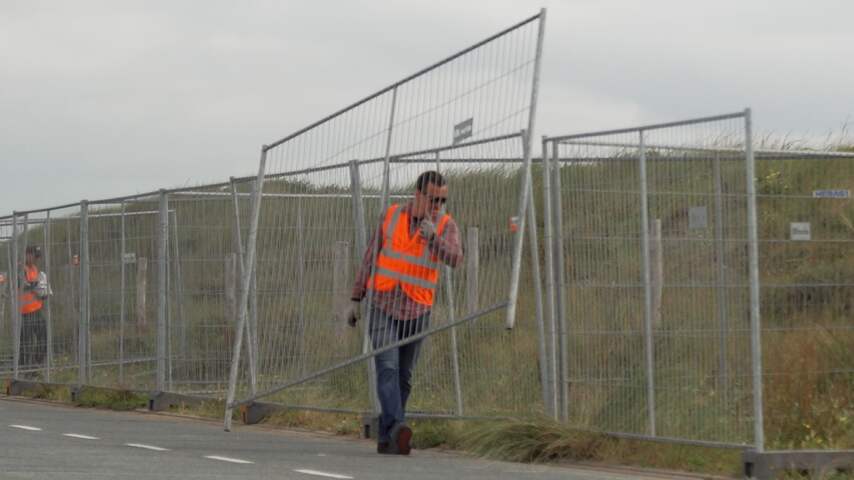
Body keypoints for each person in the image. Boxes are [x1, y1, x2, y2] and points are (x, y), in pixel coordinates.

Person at [346, 170, 463, 455]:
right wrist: (356, 298)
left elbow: (456, 259)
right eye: (434, 200)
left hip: (417, 310)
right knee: (387, 367)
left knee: (404, 376)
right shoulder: (391, 216)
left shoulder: (446, 225)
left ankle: (388, 437)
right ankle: (399, 425)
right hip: (382, 304)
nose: (438, 206)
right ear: (418, 195)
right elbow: (370, 256)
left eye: (443, 201)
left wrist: (434, 238)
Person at [19, 245, 49, 369]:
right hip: (26, 312)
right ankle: (24, 368)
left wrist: (43, 292)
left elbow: (34, 285)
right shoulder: (20, 268)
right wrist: (36, 286)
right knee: (26, 343)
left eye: (37, 257)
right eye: (34, 256)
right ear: (27, 254)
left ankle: (36, 365)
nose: (36, 259)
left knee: (43, 338)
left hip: (37, 309)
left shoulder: (35, 269)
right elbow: (22, 284)